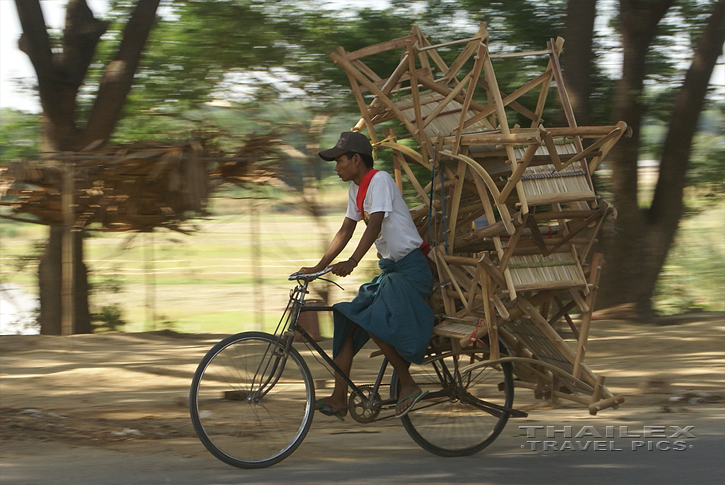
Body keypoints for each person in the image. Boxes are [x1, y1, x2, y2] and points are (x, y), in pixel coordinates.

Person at [298, 131, 435, 419]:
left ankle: (408, 385)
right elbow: (346, 230)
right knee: (347, 316)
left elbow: (373, 225)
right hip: (393, 273)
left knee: (373, 319)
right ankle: (339, 397)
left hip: (411, 271)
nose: (336, 167)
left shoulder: (380, 180)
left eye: (339, 161)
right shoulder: (355, 191)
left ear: (356, 160)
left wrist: (353, 261)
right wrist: (317, 266)